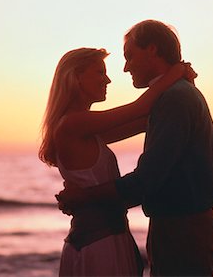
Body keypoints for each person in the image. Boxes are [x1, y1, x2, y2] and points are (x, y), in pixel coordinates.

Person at [57, 20, 213, 277]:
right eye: (100, 72)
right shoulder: (173, 97)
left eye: (130, 56)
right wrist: (176, 73)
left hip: (182, 229)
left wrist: (85, 197)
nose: (123, 69)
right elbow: (139, 118)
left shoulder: (174, 98)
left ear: (152, 50)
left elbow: (146, 180)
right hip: (176, 227)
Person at [39, 46, 196, 276]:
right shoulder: (73, 124)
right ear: (76, 78)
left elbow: (148, 120)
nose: (108, 80)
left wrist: (185, 88)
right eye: (99, 72)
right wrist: (175, 73)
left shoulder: (88, 130)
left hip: (108, 238)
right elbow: (139, 108)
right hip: (97, 246)